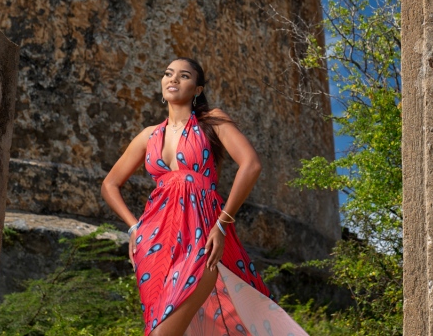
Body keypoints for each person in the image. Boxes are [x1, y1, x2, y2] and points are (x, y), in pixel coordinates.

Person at [102, 57, 308, 336]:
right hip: (153, 241)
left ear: (198, 89)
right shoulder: (148, 135)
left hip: (201, 235)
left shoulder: (212, 122)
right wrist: (134, 228)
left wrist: (222, 223)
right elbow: (110, 184)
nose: (173, 79)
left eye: (184, 76)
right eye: (168, 74)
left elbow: (251, 164)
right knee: (156, 327)